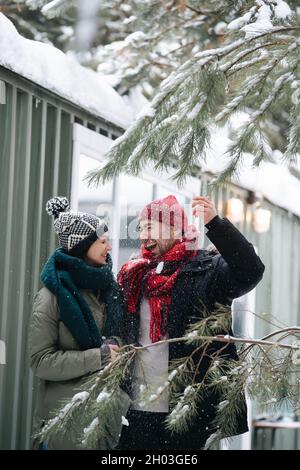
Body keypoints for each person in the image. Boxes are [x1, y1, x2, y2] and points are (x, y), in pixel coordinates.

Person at [117, 194, 265, 450]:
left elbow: (250, 270)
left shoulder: (207, 269)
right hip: (138, 409)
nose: (143, 236)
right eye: (140, 228)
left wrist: (216, 225)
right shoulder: (135, 276)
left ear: (174, 228)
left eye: (150, 227)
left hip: (190, 410)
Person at [29, 197, 127, 450]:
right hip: (66, 431)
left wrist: (117, 343)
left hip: (104, 425)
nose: (109, 247)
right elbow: (40, 362)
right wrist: (99, 356)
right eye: (102, 241)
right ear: (83, 247)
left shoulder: (109, 290)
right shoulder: (52, 296)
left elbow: (120, 337)